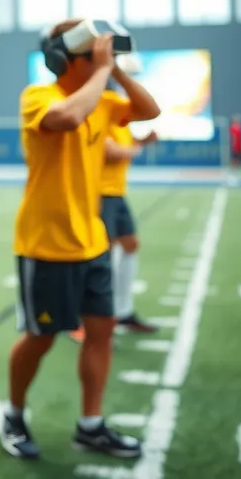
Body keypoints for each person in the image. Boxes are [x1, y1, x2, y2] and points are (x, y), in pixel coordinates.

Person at [1, 19, 160, 461]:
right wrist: (103, 72)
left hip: (93, 241)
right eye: (93, 55)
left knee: (102, 332)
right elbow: (68, 118)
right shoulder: (39, 96)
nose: (102, 62)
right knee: (40, 338)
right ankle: (14, 415)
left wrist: (116, 68)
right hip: (46, 245)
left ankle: (91, 426)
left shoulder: (104, 100)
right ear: (63, 59)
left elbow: (149, 111)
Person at [100, 119, 158, 333]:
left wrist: (142, 141)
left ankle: (123, 312)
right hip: (100, 193)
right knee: (102, 254)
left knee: (130, 245)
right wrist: (136, 149)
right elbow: (109, 151)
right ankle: (92, 316)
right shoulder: (101, 117)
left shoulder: (120, 122)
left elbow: (125, 143)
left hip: (117, 193)